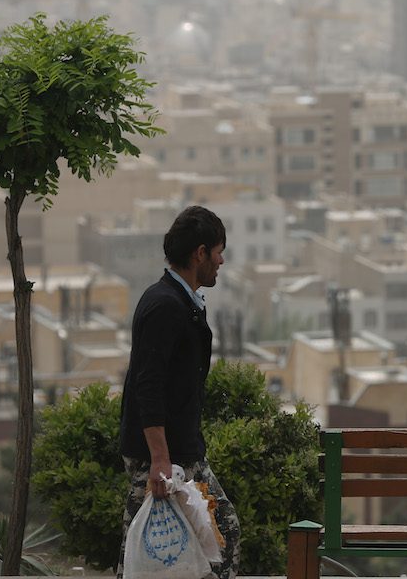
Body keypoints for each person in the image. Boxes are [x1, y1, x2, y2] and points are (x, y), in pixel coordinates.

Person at [117, 205, 240, 579]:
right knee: (211, 536)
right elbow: (147, 384)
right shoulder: (165, 305)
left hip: (179, 451)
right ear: (199, 253)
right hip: (164, 457)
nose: (221, 260)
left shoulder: (180, 302)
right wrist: (159, 460)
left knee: (159, 547)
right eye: (218, 251)